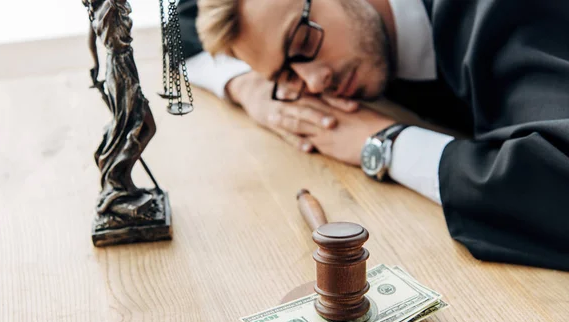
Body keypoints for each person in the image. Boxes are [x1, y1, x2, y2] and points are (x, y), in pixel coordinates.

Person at [179, 0, 569, 271]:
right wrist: (251, 88)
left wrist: (385, 143)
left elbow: (556, 182)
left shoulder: (499, 13)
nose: (315, 83)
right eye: (288, 77)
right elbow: (180, 22)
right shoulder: (332, 53)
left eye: (302, 42)